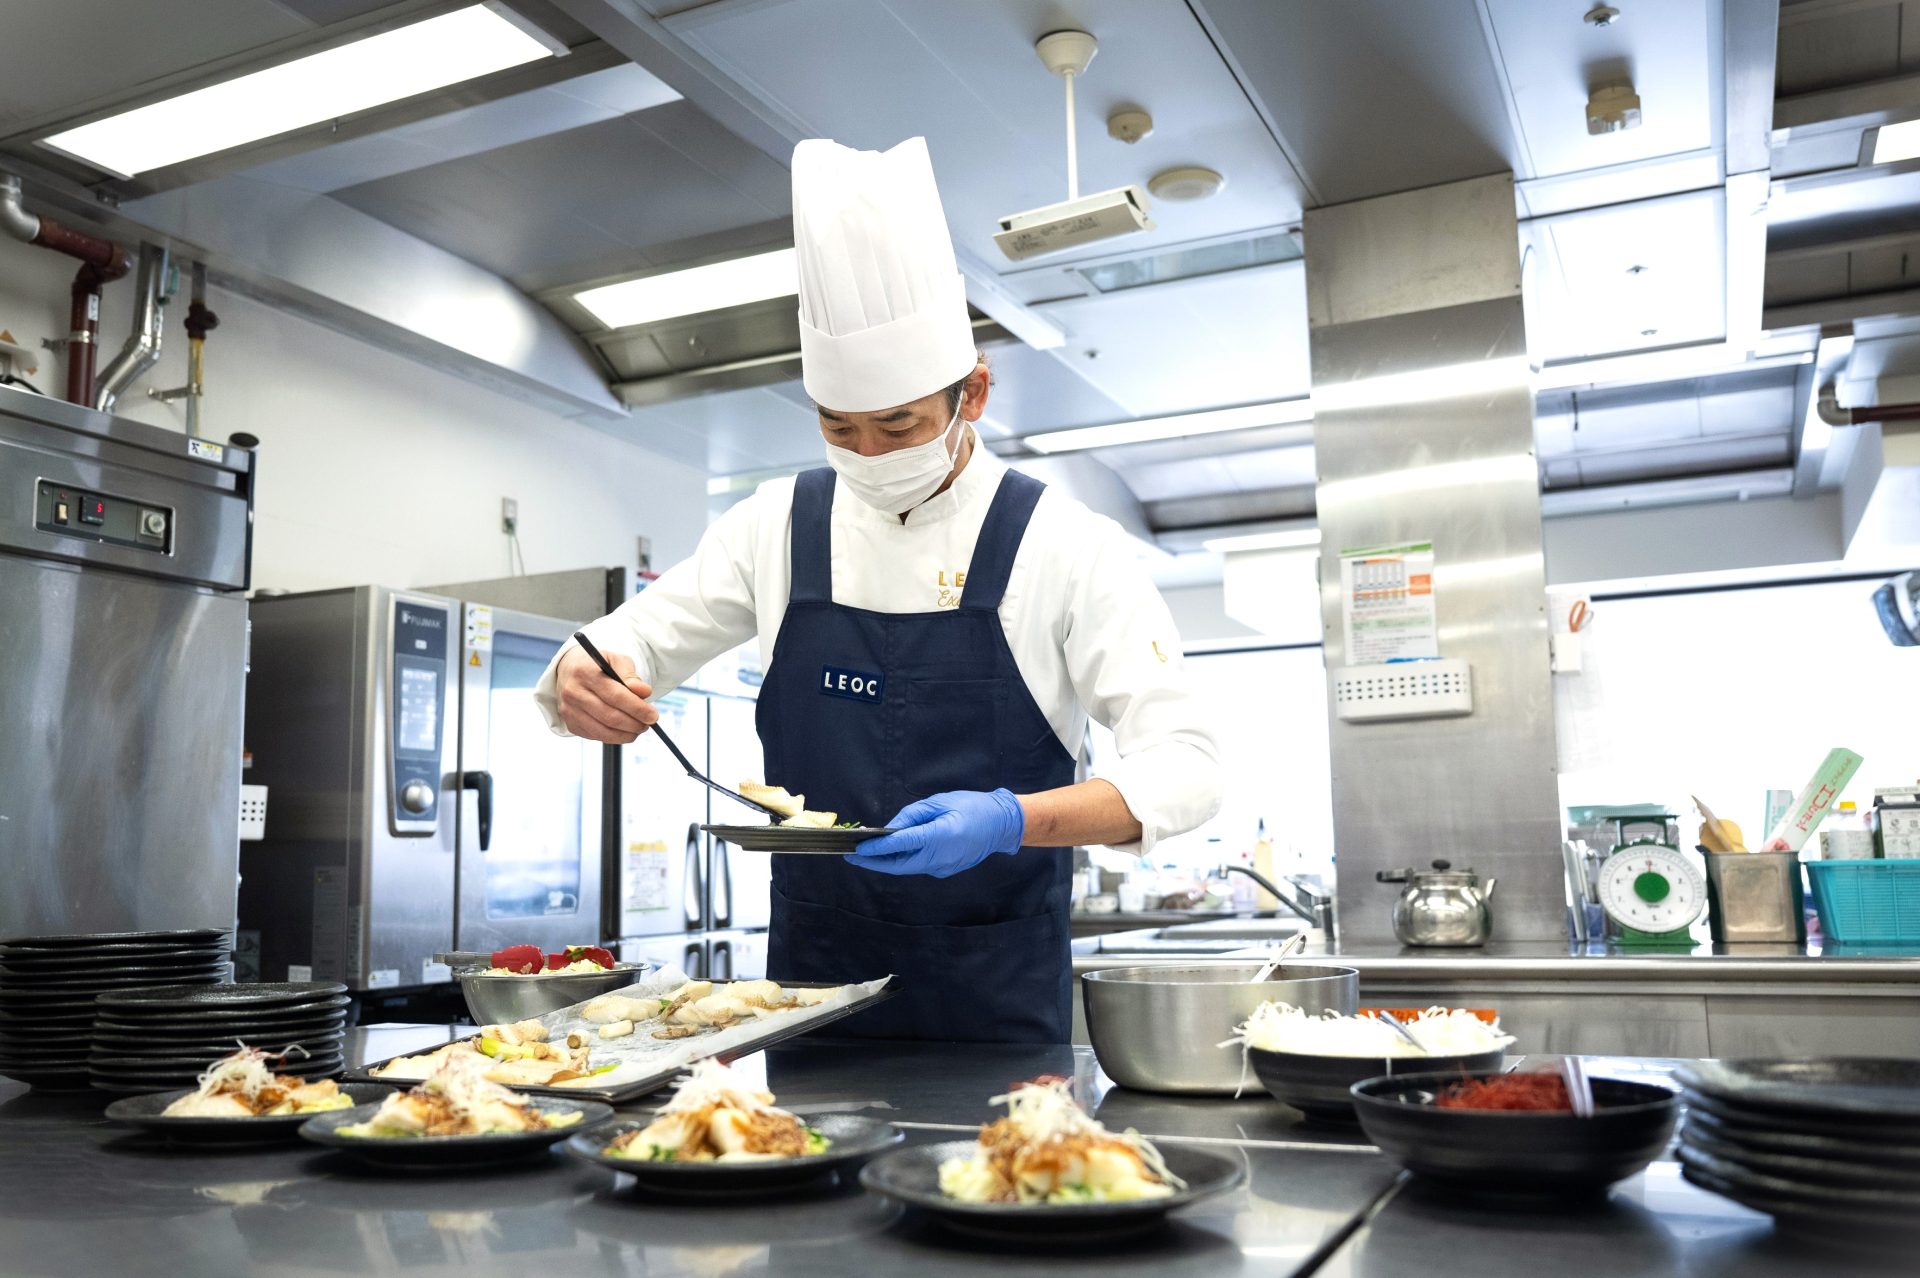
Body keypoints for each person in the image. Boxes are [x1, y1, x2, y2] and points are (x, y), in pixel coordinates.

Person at [535, 136, 1221, 1043]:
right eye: (838, 428)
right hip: (807, 999)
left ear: (972, 393)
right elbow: (619, 651)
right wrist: (577, 681)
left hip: (997, 999)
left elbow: (1188, 768)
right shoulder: (775, 524)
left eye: (898, 425)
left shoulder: (1065, 545)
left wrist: (1012, 821)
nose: (868, 457)